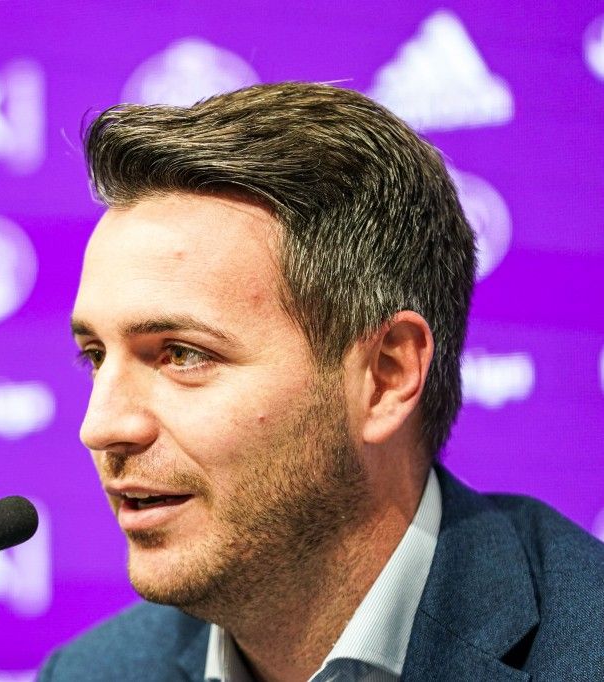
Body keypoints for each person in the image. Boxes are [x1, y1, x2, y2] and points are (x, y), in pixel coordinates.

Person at [39, 83, 604, 681]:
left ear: (386, 377)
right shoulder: (91, 672)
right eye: (95, 356)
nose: (100, 427)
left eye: (182, 355)